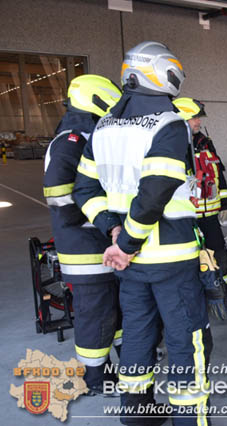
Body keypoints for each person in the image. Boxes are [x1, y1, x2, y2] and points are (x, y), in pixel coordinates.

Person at [73, 41, 211, 426]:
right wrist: (128, 243)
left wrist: (113, 231)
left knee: (136, 336)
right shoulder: (168, 123)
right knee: (188, 343)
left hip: (129, 267)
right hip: (170, 260)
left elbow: (84, 190)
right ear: (165, 73)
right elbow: (154, 194)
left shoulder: (104, 125)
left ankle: (138, 418)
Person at [43, 74, 122, 396]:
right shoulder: (71, 140)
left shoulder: (84, 135)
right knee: (96, 315)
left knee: (112, 310)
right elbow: (59, 195)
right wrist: (95, 216)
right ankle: (95, 378)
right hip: (84, 245)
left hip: (98, 240)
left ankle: (121, 363)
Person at [173, 97, 227, 308]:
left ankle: (223, 290)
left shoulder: (204, 142)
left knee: (219, 253)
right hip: (186, 216)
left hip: (210, 215)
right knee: (190, 259)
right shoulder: (172, 146)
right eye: (194, 118)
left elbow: (217, 172)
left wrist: (226, 203)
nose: (198, 122)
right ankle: (196, 297)